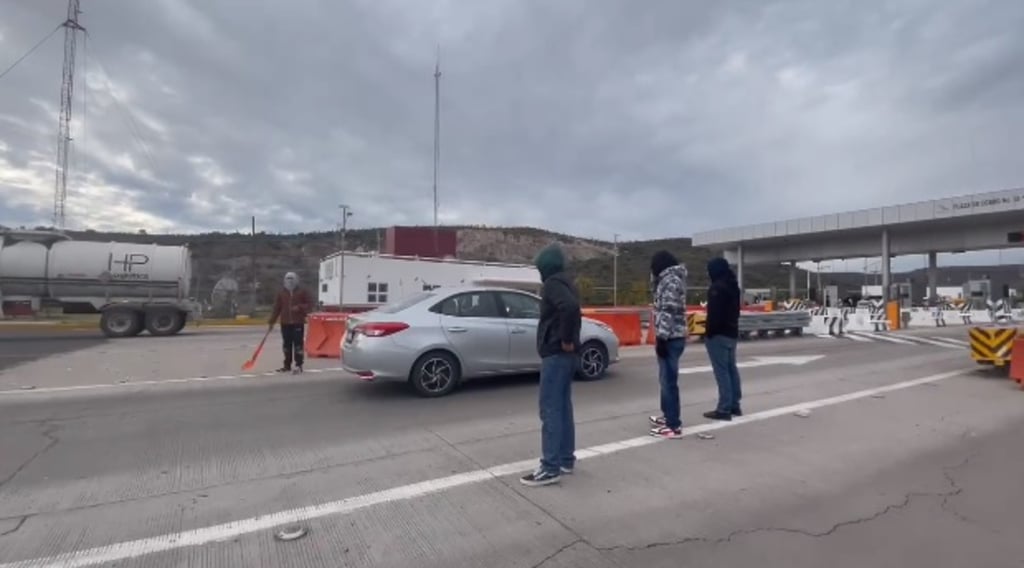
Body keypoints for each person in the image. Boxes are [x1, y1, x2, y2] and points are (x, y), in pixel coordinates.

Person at [521, 242, 582, 487]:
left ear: (546, 267)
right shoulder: (567, 282)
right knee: (563, 407)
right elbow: (571, 307)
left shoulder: (553, 284)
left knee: (550, 409)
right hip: (565, 356)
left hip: (556, 354)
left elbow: (569, 308)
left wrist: (565, 339)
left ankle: (550, 467)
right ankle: (566, 459)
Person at [648, 250, 688, 439]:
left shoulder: (671, 281)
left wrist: (662, 337)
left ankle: (674, 425)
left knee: (669, 382)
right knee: (664, 380)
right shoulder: (667, 280)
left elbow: (668, 311)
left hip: (671, 338)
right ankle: (668, 416)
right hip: (669, 336)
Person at [703, 257, 742, 420]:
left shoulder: (716, 288)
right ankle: (735, 404)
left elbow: (714, 315)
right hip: (732, 332)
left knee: (722, 372)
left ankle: (724, 408)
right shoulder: (734, 286)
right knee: (731, 369)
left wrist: (709, 332)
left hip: (718, 335)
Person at [268, 271, 313, 374]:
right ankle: (286, 365)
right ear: (284, 280)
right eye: (288, 278)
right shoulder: (281, 292)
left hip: (298, 323)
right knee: (286, 345)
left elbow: (310, 305)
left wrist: (300, 307)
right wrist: (271, 322)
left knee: (298, 345)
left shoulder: (302, 291)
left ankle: (299, 365)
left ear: (296, 279)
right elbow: (276, 308)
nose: (290, 281)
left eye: (292, 278)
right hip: (285, 323)